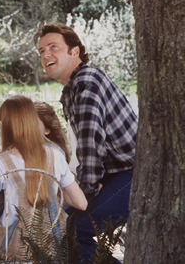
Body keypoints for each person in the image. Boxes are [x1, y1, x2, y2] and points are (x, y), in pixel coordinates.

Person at [34, 23, 138, 264]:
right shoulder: (73, 89)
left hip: (133, 175)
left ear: (75, 52)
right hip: (115, 174)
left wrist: (84, 193)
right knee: (56, 228)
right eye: (41, 51)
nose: (46, 54)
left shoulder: (87, 84)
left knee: (69, 233)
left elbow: (91, 148)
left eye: (53, 47)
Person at [0, 95, 87, 260]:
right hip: (52, 249)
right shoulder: (56, 155)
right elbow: (81, 203)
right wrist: (52, 193)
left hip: (13, 249)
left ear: (4, 126)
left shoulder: (1, 162)